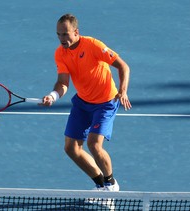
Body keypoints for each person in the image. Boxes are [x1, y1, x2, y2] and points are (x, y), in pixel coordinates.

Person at [42, 14, 131, 191]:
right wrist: (53, 96)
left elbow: (123, 66)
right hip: (83, 103)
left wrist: (123, 91)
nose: (62, 39)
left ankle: (111, 184)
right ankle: (100, 185)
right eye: (59, 35)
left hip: (106, 102)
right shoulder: (60, 53)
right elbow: (63, 83)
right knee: (71, 148)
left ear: (76, 32)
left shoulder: (93, 45)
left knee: (93, 144)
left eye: (66, 34)